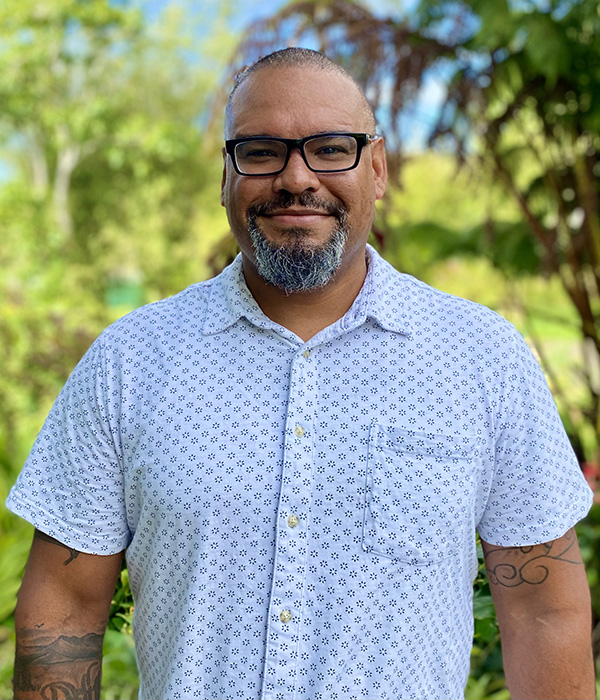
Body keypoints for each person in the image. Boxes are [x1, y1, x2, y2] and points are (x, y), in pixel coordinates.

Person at [7, 47, 595, 700]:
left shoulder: (482, 357)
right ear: (226, 176)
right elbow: (61, 609)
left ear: (377, 168)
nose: (296, 178)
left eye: (330, 148)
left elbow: (544, 611)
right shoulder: (129, 364)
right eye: (261, 150)